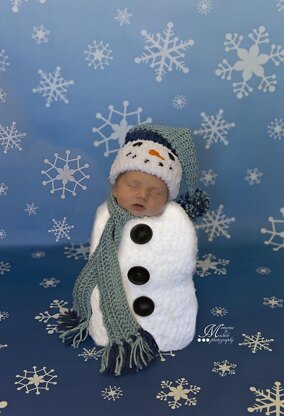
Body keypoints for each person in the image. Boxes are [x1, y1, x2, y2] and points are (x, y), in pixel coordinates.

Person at [59, 124, 209, 376]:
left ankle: (166, 332)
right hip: (112, 302)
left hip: (167, 308)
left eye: (155, 191)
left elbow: (181, 267)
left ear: (168, 197)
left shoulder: (176, 221)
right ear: (114, 187)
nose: (142, 195)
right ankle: (115, 331)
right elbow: (98, 264)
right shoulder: (105, 217)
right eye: (132, 185)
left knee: (171, 320)